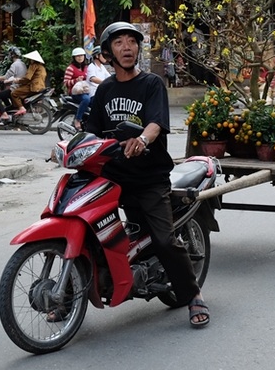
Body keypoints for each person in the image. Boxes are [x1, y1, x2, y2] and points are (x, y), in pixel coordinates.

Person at [85, 21, 210, 329]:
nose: (127, 47)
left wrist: (142, 140)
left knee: (165, 240)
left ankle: (193, 295)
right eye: (119, 43)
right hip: (113, 177)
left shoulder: (152, 83)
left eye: (132, 42)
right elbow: (90, 130)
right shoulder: (104, 89)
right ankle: (71, 296)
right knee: (93, 233)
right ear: (108, 53)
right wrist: (68, 145)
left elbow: (155, 123)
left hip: (149, 178)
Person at [0, 47, 26, 119]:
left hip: (15, 88)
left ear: (12, 55)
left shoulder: (14, 65)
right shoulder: (23, 64)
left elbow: (5, 77)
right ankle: (8, 113)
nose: (9, 55)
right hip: (21, 87)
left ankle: (4, 114)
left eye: (10, 54)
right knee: (4, 96)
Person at [11, 50, 47, 116]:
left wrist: (18, 81)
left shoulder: (33, 65)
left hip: (34, 87)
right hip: (41, 87)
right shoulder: (42, 67)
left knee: (14, 93)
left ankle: (21, 108)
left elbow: (27, 78)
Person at [63, 47, 91, 129]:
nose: (80, 58)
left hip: (85, 91)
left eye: (81, 56)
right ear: (74, 58)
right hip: (75, 93)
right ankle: (78, 119)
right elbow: (66, 82)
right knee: (86, 100)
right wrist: (76, 80)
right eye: (78, 56)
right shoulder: (70, 68)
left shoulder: (86, 68)